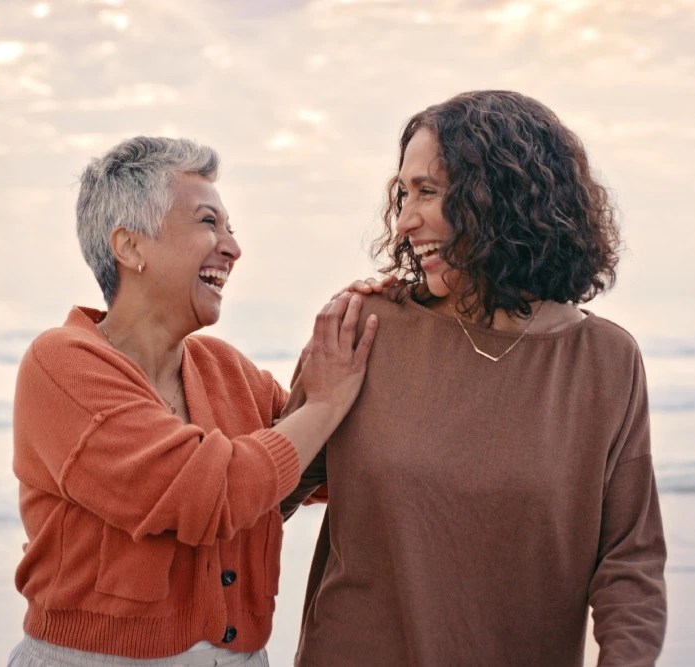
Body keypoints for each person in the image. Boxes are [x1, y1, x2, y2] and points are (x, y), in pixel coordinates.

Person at [283, 91, 667, 666]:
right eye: (403, 193)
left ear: (504, 199)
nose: (406, 220)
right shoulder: (366, 327)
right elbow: (268, 494)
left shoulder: (604, 361)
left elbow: (629, 561)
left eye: (429, 193)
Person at [9, 136, 377, 666]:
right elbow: (207, 493)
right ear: (130, 246)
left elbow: (321, 462)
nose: (232, 247)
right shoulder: (62, 364)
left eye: (230, 228)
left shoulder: (224, 368)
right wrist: (322, 404)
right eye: (209, 223)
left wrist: (371, 326)